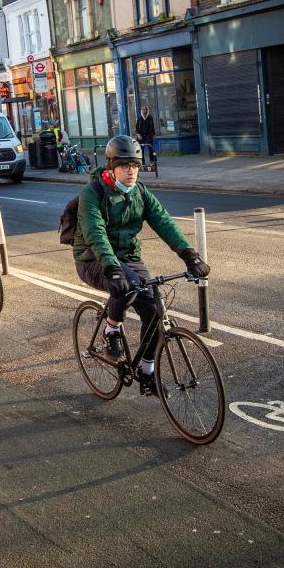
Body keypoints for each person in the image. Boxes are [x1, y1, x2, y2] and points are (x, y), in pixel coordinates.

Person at [73, 135, 210, 394]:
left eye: (135, 165)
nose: (131, 171)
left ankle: (148, 374)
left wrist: (189, 255)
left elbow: (163, 221)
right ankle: (111, 330)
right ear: (111, 166)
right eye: (125, 166)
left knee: (154, 313)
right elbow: (95, 233)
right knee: (128, 286)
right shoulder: (92, 193)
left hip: (129, 257)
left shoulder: (140, 192)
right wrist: (112, 268)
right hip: (93, 259)